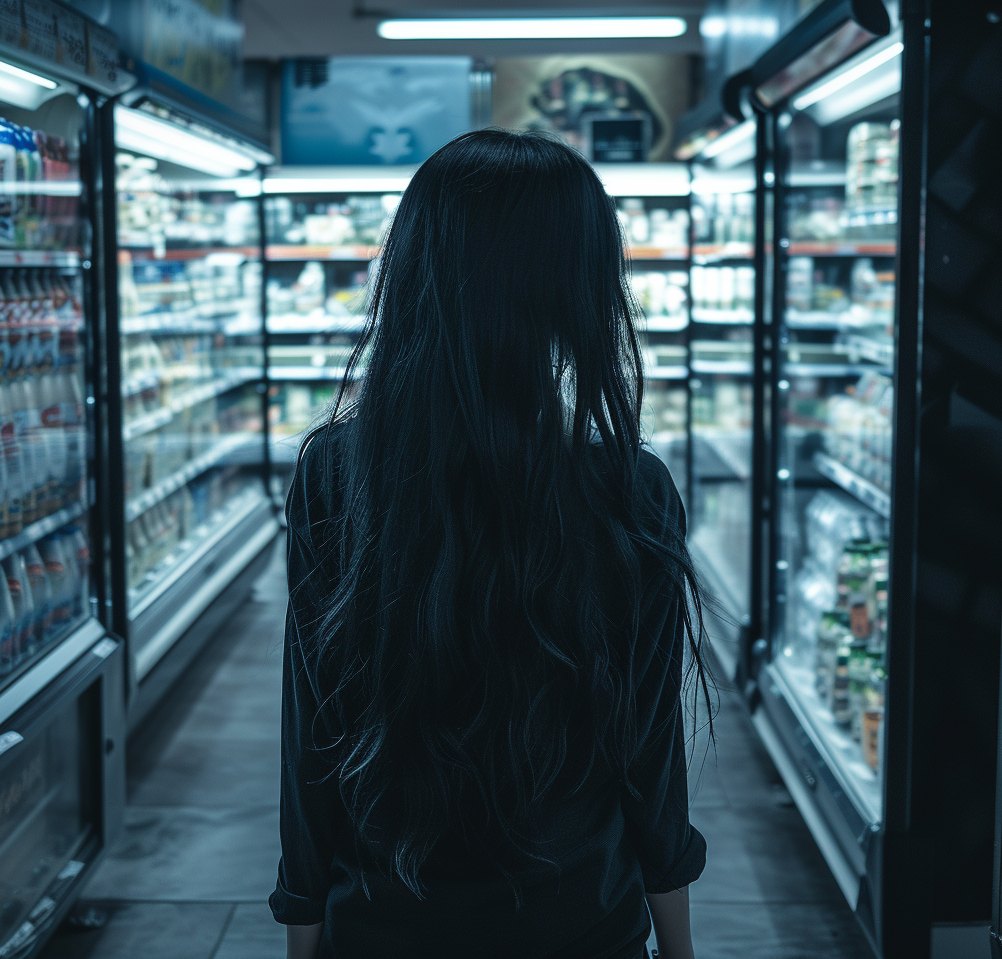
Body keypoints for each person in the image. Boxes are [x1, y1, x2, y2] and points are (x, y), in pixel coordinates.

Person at [270, 129, 711, 959]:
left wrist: (304, 928)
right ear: (577, 287)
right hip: (581, 923)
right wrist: (679, 947)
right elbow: (650, 756)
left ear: (413, 272)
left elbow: (313, 738)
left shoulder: (335, 474)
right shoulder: (628, 488)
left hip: (380, 923)